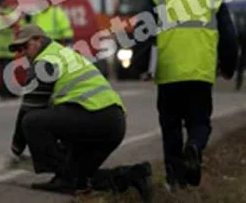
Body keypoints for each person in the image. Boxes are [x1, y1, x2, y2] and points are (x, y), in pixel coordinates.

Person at [134, 0, 239, 191]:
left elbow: (141, 35)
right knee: (200, 122)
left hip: (169, 73)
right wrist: (229, 66)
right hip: (201, 72)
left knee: (170, 127)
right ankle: (194, 146)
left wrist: (142, 67)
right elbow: (229, 36)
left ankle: (175, 180)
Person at [9, 24, 154, 200]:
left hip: (94, 118)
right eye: (20, 50)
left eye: (26, 46)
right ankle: (134, 175)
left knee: (32, 122)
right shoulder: (63, 53)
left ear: (39, 39)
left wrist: (17, 146)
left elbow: (29, 108)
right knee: (81, 179)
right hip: (112, 123)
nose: (24, 52)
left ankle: (65, 178)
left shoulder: (45, 61)